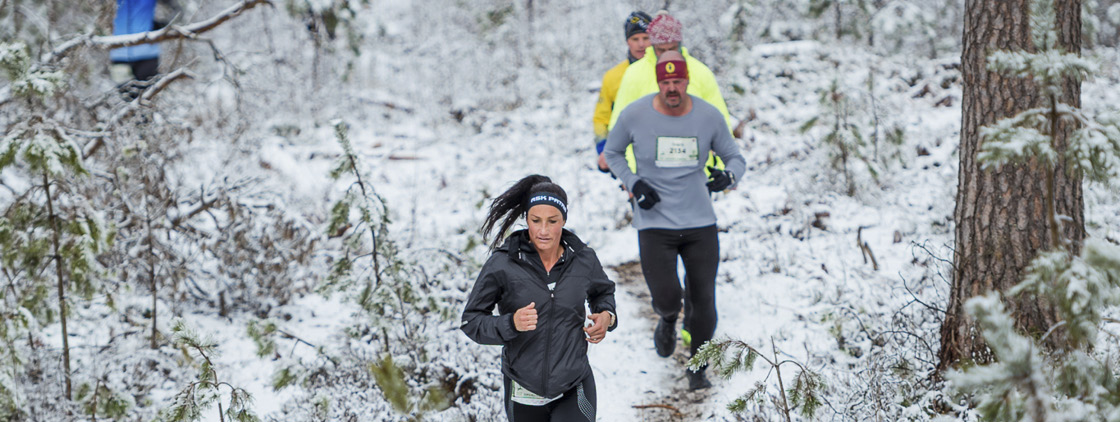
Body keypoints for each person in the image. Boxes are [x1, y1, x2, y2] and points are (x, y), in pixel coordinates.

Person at [604, 51, 746, 391]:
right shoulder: (634, 115)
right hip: (655, 224)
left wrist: (728, 177)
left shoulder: (708, 116)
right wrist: (634, 183)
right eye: (665, 82)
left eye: (677, 81)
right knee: (668, 297)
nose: (671, 88)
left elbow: (735, 158)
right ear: (658, 83)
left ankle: (698, 368)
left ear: (686, 81)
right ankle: (667, 320)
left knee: (704, 298)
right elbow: (611, 153)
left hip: (700, 223)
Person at [461, 175, 618, 421]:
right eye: (536, 221)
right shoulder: (503, 264)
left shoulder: (583, 259)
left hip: (573, 383)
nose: (543, 230)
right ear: (526, 220)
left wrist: (607, 316)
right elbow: (471, 322)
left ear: (563, 221)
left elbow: (603, 292)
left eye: (552, 221)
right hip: (523, 389)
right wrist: (510, 323)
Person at [608, 10, 735, 175]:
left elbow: (721, 122)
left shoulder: (700, 73)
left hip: (696, 174)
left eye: (672, 48)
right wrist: (630, 176)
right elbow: (619, 127)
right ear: (653, 46)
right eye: (661, 50)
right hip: (648, 177)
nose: (667, 53)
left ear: (680, 44)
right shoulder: (634, 74)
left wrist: (724, 168)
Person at [593, 11, 652, 172]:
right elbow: (601, 118)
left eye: (645, 38)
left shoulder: (667, 73)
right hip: (627, 158)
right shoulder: (613, 76)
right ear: (627, 41)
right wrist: (603, 149)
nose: (641, 44)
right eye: (635, 39)